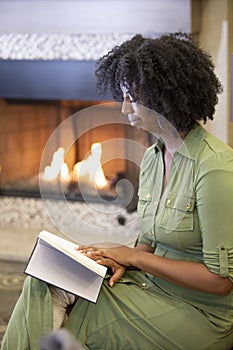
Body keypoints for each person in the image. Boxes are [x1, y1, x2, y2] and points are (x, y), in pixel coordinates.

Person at [2, 33, 233, 350]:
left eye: (132, 97)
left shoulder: (215, 170)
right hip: (151, 286)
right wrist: (121, 257)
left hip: (200, 313)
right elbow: (151, 242)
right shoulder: (154, 158)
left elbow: (220, 281)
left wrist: (135, 256)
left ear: (165, 95)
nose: (124, 108)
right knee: (44, 280)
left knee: (75, 309)